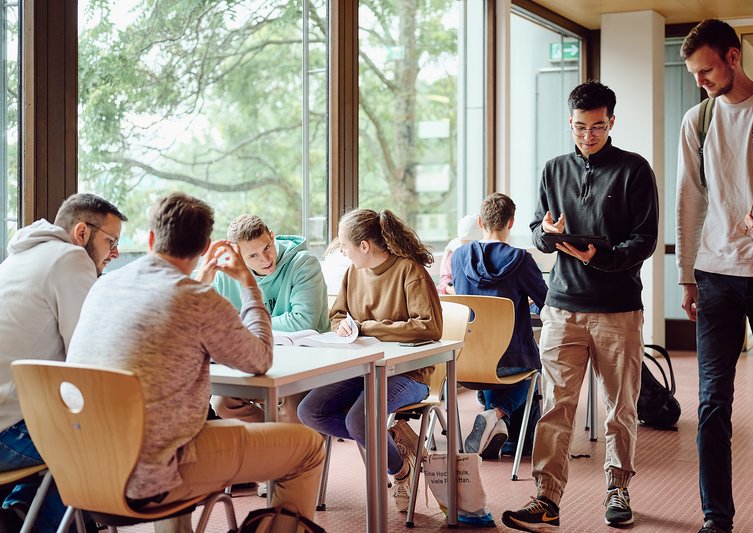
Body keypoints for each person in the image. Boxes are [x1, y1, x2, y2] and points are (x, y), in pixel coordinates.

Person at [66, 192, 324, 533]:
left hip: (80, 469)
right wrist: (247, 283)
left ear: (151, 238)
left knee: (169, 429)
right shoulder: (197, 300)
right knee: (308, 447)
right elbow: (260, 358)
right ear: (205, 248)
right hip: (153, 477)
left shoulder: (104, 286)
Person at [502, 80, 658, 531]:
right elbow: (536, 226)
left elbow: (644, 240)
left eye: (596, 126)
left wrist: (601, 256)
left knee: (620, 406)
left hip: (618, 309)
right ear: (568, 123)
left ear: (611, 122)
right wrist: (545, 234)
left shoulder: (634, 170)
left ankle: (618, 488)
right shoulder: (553, 169)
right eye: (579, 127)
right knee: (555, 405)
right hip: (562, 307)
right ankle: (546, 499)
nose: (587, 135)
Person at [675, 19, 753, 533]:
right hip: (716, 276)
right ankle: (716, 516)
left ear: (731, 56)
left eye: (705, 70)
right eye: (694, 74)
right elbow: (689, 200)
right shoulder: (697, 121)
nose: (699, 81)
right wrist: (686, 276)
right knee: (711, 403)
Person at [297, 208, 443, 513]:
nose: (343, 253)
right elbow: (337, 314)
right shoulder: (353, 273)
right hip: (363, 366)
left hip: (409, 374)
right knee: (310, 411)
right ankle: (391, 443)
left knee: (359, 420)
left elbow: (429, 326)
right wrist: (342, 326)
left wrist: (367, 327)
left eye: (345, 246)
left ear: (364, 246)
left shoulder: (409, 271)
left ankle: (399, 471)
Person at [0, 193, 126, 532]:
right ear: (82, 232)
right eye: (111, 241)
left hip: (6, 424)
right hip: (7, 434)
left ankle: (17, 512)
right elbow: (90, 361)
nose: (115, 252)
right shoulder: (71, 259)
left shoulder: (17, 258)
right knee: (98, 439)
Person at [450, 193, 547, 459]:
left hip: (468, 360)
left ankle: (497, 432)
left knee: (493, 362)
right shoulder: (521, 259)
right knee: (534, 366)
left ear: (480, 222)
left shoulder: (459, 257)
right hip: (511, 359)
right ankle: (495, 415)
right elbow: (546, 302)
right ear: (511, 222)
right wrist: (529, 306)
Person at [209, 214, 329, 424]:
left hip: (304, 361)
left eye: (267, 247)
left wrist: (242, 324)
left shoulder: (304, 264)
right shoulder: (223, 275)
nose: (265, 259)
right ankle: (283, 441)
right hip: (252, 364)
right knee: (222, 402)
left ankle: (290, 443)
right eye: (253, 255)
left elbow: (302, 321)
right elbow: (213, 325)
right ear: (236, 254)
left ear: (272, 237)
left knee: (291, 410)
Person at [437, 213, 481, 295]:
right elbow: (444, 281)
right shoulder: (454, 250)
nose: (467, 248)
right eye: (464, 243)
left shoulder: (484, 252)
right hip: (456, 296)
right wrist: (451, 290)